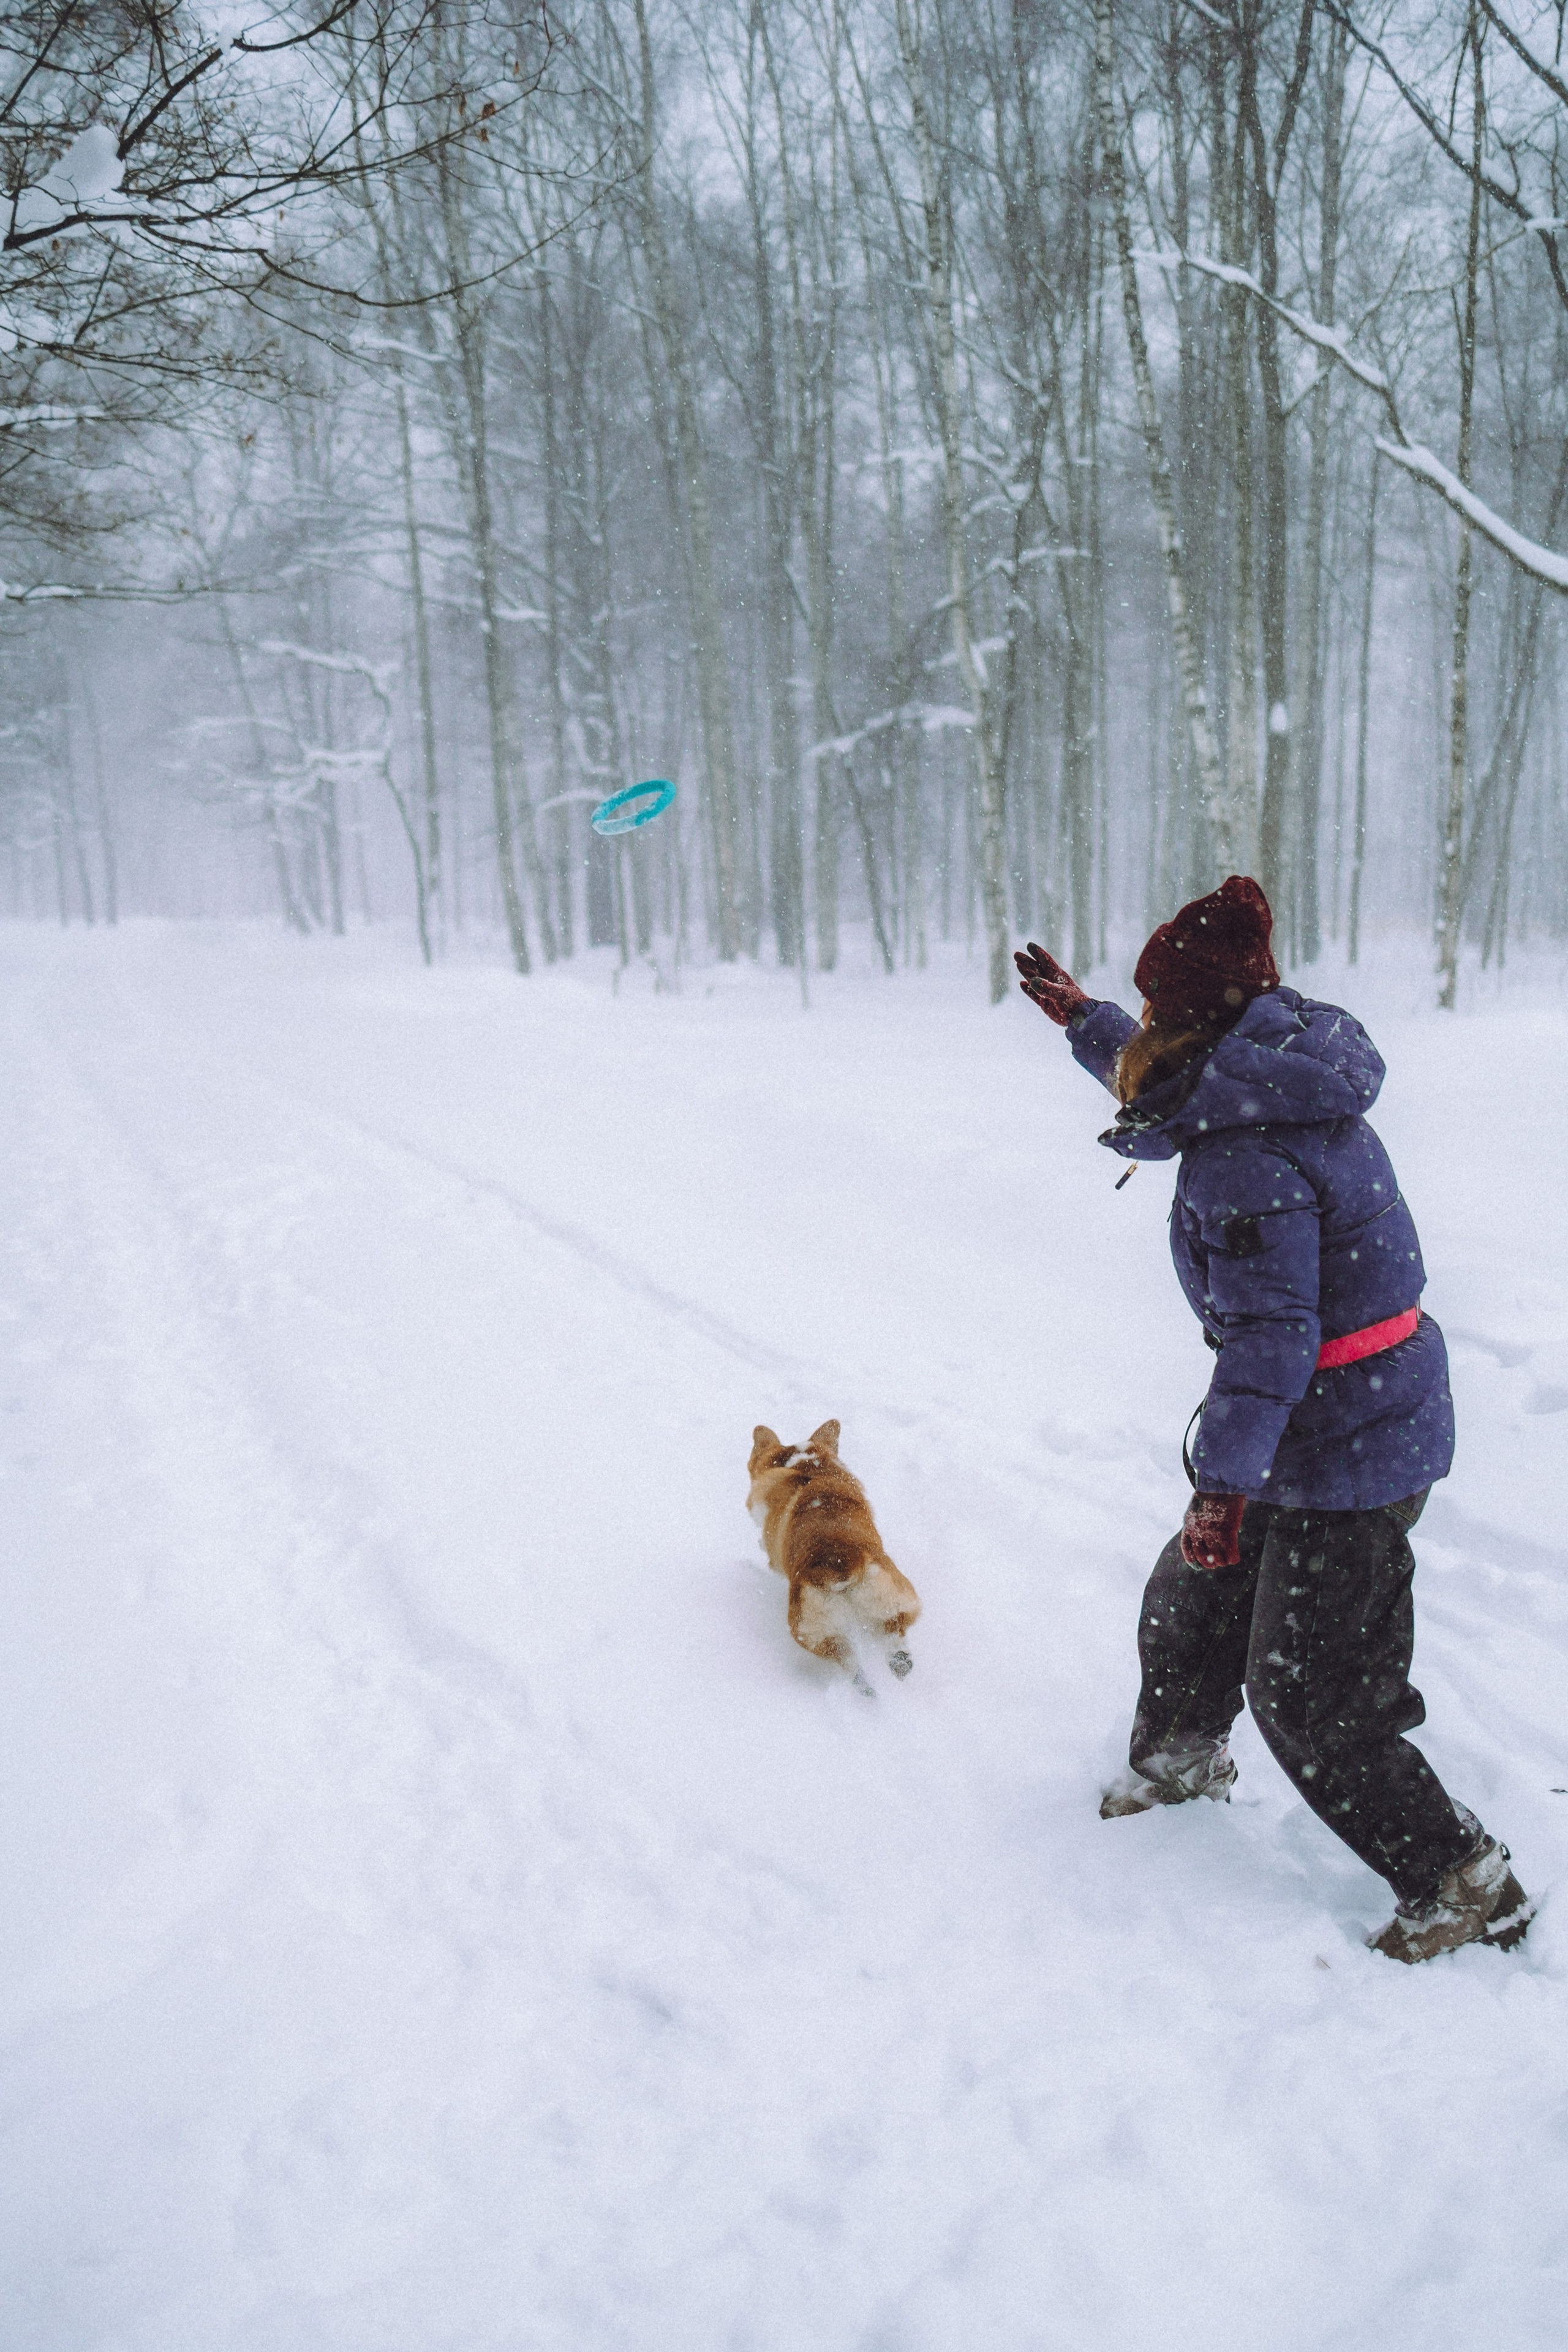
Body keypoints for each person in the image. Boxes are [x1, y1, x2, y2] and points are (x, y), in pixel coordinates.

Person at [1017, 875, 1533, 1965]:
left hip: (1347, 1438)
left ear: (1202, 1020)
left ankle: (1462, 1877)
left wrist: (1222, 1487)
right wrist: (1085, 1020)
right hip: (1343, 1417)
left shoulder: (1246, 1153)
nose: (1143, 1028)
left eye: (1156, 1010)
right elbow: (1171, 1078)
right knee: (1196, 1595)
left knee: (1311, 1690)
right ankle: (1182, 1758)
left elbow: (1270, 1344)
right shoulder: (1277, 1061)